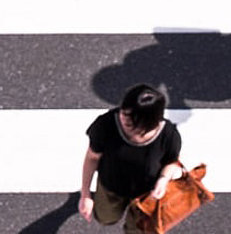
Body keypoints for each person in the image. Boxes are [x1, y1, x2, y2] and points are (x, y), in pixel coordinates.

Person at [78, 84, 184, 233]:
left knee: (137, 230)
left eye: (130, 122)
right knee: (105, 217)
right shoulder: (106, 124)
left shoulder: (168, 135)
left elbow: (171, 161)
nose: (122, 119)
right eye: (123, 112)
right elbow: (92, 158)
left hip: (146, 196)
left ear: (150, 122)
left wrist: (163, 179)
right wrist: (85, 194)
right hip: (111, 188)